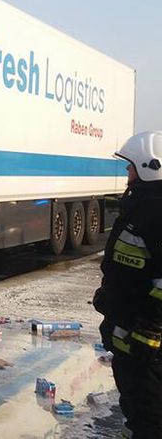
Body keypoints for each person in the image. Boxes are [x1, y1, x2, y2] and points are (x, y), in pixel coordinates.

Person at [94, 131, 162, 438]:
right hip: (129, 334)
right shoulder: (141, 206)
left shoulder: (154, 213)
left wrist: (150, 332)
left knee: (149, 414)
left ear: (150, 166)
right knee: (137, 411)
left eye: (130, 165)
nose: (126, 170)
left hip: (144, 345)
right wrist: (109, 297)